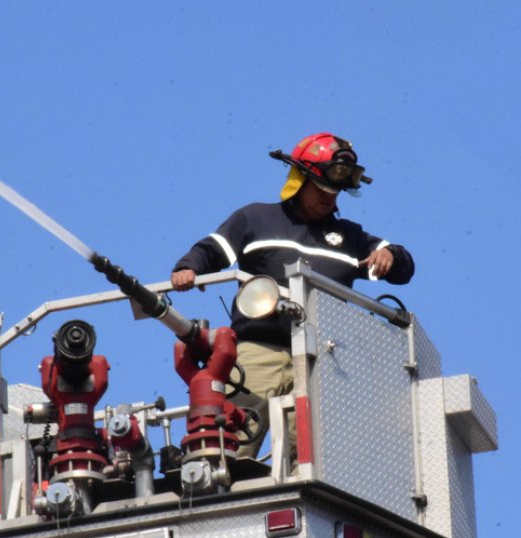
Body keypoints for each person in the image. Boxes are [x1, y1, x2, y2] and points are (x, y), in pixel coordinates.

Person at [170, 132, 415, 460]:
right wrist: (189, 268)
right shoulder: (256, 219)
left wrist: (392, 256)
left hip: (321, 360)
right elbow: (211, 250)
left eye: (336, 191)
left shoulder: (348, 237)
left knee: (310, 458)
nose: (330, 198)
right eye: (322, 189)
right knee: (233, 439)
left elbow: (403, 269)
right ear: (300, 180)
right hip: (259, 349)